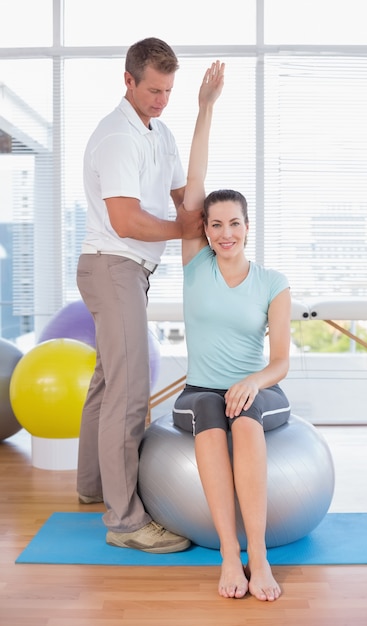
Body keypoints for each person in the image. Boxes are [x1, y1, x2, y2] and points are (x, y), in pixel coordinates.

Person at [76, 37, 204, 553]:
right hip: (113, 265)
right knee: (129, 394)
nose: (160, 100)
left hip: (130, 269)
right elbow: (126, 219)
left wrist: (208, 222)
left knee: (109, 383)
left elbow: (182, 197)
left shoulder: (161, 132)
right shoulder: (117, 138)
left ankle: (92, 489)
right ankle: (126, 521)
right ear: (127, 81)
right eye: (153, 89)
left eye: (169, 91)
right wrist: (184, 228)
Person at [173, 61, 292, 600]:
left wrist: (255, 382)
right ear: (206, 231)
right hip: (200, 389)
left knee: (243, 420)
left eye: (234, 223)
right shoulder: (195, 264)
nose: (225, 232)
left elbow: (282, 360)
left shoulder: (272, 282)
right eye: (215, 224)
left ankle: (259, 558)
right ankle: (228, 555)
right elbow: (194, 185)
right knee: (208, 410)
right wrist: (205, 108)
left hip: (257, 387)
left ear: (248, 227)